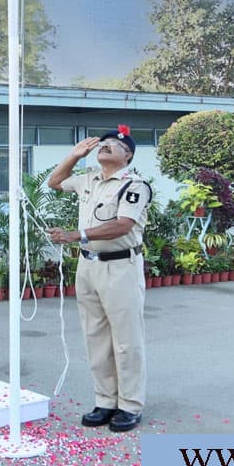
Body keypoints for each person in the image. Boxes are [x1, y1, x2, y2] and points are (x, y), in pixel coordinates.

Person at [46, 125, 151, 433]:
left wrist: (77, 234)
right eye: (101, 144)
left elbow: (123, 224)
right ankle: (105, 401)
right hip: (88, 266)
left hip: (121, 267)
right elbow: (55, 182)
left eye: (112, 144)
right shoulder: (89, 179)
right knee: (96, 336)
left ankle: (130, 405)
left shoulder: (134, 185)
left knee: (126, 339)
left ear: (127, 154)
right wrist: (75, 155)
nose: (103, 147)